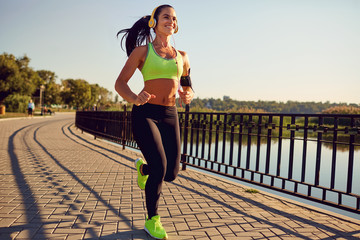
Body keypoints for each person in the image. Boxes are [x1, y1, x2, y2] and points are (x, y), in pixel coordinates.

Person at [115, 5, 194, 239]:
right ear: (154, 22)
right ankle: (152, 220)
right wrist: (133, 98)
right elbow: (120, 83)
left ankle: (144, 168)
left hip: (170, 114)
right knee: (160, 167)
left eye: (174, 18)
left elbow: (187, 84)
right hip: (146, 113)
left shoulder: (183, 57)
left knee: (171, 173)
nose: (171, 20)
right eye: (166, 17)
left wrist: (188, 94)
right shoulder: (142, 51)